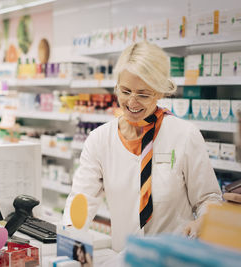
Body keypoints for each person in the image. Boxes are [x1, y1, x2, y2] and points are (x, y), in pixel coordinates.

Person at [62, 41, 222, 253]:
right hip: (125, 258)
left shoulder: (185, 135)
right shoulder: (99, 140)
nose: (132, 102)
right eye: (125, 91)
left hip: (174, 258)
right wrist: (70, 242)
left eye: (143, 94)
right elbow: (82, 199)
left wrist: (200, 224)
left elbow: (208, 199)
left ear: (159, 92)